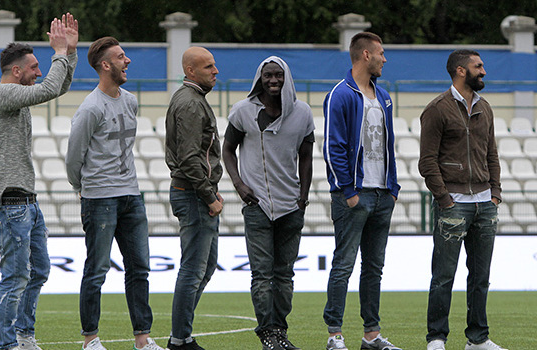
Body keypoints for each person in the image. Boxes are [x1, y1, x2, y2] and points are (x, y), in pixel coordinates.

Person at [0, 13, 78, 350]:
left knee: (37, 272)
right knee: (16, 278)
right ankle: (8, 345)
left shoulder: (16, 95)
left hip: (25, 202)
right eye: (34, 67)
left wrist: (71, 53)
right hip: (9, 203)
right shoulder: (0, 95)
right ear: (16, 71)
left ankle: (23, 337)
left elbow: (58, 87)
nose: (38, 72)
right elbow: (51, 87)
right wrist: (59, 54)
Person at [65, 36, 166, 350]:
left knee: (140, 267)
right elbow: (73, 158)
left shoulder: (131, 100)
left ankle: (142, 339)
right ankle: (90, 339)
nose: (128, 61)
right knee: (96, 269)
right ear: (105, 65)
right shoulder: (90, 109)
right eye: (122, 57)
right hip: (100, 198)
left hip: (131, 195)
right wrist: (82, 188)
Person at [222, 56, 314, 350]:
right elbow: (227, 149)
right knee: (262, 274)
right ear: (259, 79)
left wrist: (303, 196)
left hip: (291, 205)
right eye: (268, 76)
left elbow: (307, 156)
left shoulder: (302, 113)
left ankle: (281, 332)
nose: (273, 81)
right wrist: (238, 184)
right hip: (257, 204)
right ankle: (268, 335)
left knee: (284, 274)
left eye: (278, 76)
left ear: (287, 77)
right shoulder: (243, 112)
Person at [419, 50, 506, 350]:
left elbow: (491, 155)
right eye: (478, 66)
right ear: (460, 71)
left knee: (481, 276)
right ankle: (436, 337)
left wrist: (495, 194)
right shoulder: (437, 109)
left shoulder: (487, 108)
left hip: (485, 204)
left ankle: (477, 339)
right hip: (452, 203)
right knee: (443, 276)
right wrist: (444, 199)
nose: (484, 71)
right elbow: (427, 162)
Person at [322, 32, 401, 350]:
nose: (385, 59)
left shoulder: (383, 97)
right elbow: (333, 146)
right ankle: (334, 334)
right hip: (353, 195)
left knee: (374, 267)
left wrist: (392, 187)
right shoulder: (340, 95)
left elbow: (388, 145)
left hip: (383, 194)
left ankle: (371, 335)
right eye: (381, 53)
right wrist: (348, 189)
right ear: (365, 55)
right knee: (344, 264)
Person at [164, 46, 223, 350]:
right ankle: (179, 339)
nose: (216, 71)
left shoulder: (192, 99)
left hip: (195, 192)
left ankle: (182, 335)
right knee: (193, 268)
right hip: (193, 195)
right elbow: (189, 157)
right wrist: (208, 194)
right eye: (208, 66)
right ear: (190, 71)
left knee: (205, 266)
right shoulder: (190, 104)